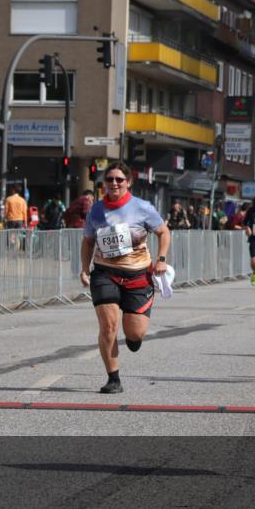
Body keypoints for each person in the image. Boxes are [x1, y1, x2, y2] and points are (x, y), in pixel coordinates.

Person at [79, 163, 169, 395]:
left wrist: (161, 258)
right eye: (109, 179)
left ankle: (133, 338)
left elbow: (163, 232)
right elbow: (88, 241)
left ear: (128, 182)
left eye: (119, 179)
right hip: (105, 272)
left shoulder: (142, 208)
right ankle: (113, 379)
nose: (114, 183)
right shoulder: (96, 210)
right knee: (108, 327)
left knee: (134, 333)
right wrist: (84, 269)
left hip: (138, 274)